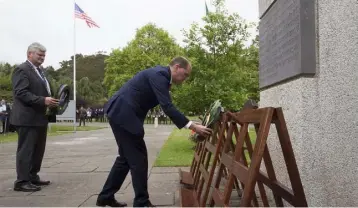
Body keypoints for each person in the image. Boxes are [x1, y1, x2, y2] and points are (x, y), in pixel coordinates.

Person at [96, 56, 212, 207]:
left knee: (125, 159)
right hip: (123, 114)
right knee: (139, 160)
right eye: (185, 74)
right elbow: (167, 106)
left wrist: (189, 123)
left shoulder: (161, 76)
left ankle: (106, 196)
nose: (185, 79)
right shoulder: (160, 75)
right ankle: (141, 202)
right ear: (177, 67)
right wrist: (192, 126)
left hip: (120, 113)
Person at [10, 42, 59, 192]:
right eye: (39, 55)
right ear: (29, 54)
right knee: (26, 150)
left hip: (39, 117)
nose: (42, 58)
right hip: (26, 118)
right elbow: (21, 92)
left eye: (44, 55)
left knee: (38, 150)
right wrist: (43, 100)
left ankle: (32, 176)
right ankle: (22, 181)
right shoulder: (22, 69)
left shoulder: (41, 71)